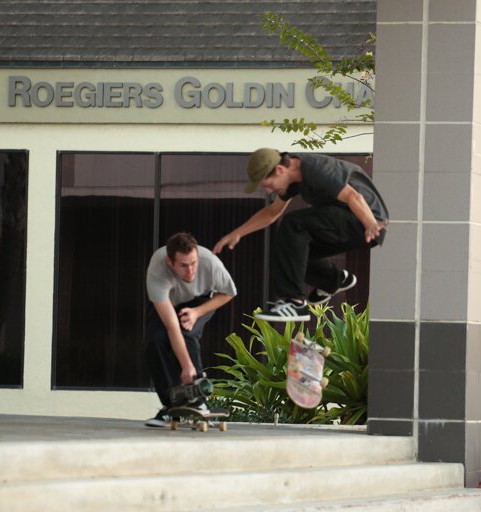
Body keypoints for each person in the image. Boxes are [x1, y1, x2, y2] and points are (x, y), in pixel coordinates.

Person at [214, 148, 388, 322]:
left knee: (293, 224)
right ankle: (334, 279)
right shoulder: (292, 178)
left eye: (269, 185)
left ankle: (295, 303)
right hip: (349, 222)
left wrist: (371, 224)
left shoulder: (315, 169)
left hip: (363, 219)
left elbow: (353, 196)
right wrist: (238, 233)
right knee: (292, 252)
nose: (269, 191)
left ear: (280, 170)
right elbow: (272, 212)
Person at [144, 232, 237, 427]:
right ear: (170, 262)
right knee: (155, 341)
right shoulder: (158, 270)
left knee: (188, 332)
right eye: (184, 265)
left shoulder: (211, 264)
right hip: (169, 301)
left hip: (200, 301)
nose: (191, 271)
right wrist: (186, 366)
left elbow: (228, 293)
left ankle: (199, 401)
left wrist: (197, 312)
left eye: (194, 263)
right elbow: (171, 327)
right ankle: (171, 405)